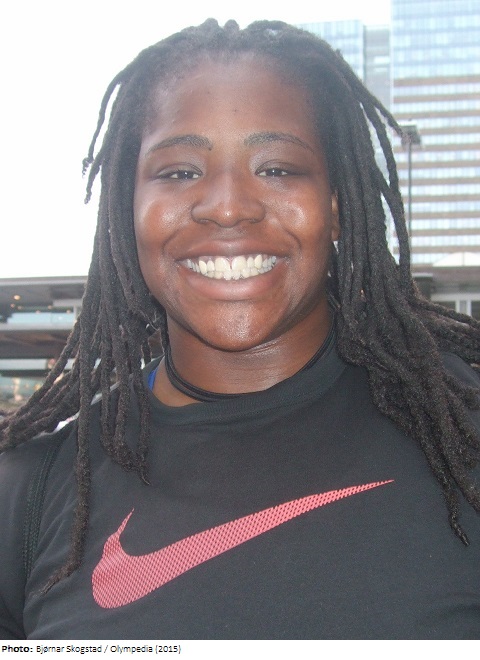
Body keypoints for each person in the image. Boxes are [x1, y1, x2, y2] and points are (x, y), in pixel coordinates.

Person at [1, 19, 480, 640]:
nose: (227, 206)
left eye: (277, 168)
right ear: (127, 207)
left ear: (337, 205)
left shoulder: (461, 437)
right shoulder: (34, 488)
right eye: (179, 172)